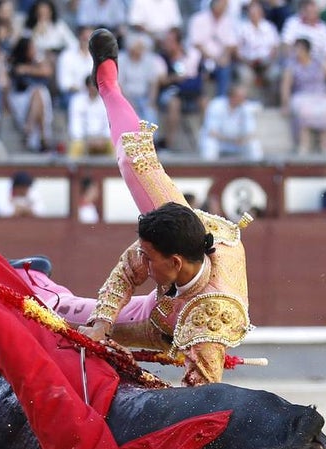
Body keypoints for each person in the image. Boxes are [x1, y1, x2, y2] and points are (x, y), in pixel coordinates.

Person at [75, 29, 252, 387]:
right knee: (136, 160)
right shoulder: (187, 230)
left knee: (62, 322)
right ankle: (107, 83)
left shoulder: (212, 318)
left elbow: (198, 397)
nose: (142, 261)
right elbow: (128, 270)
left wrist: (132, 372)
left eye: (149, 257)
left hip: (161, 327)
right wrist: (101, 324)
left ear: (173, 262)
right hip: (185, 247)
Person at [279, 37, 326, 154]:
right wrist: (285, 104)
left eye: (299, 49)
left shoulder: (318, 62)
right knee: (304, 110)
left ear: (306, 50)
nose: (296, 52)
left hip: (320, 95)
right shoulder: (292, 65)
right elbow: (285, 86)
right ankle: (304, 144)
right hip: (302, 95)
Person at [199, 83, 263, 161]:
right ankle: (209, 167)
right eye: (241, 97)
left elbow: (252, 133)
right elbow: (211, 132)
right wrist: (231, 140)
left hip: (238, 143)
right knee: (210, 143)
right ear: (232, 97)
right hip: (220, 142)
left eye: (244, 97)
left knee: (254, 144)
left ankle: (257, 167)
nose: (244, 100)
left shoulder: (246, 107)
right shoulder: (216, 105)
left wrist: (243, 139)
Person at [67, 74, 110, 158]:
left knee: (114, 146)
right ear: (87, 87)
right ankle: (71, 166)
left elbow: (109, 124)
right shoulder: (77, 101)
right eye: (91, 86)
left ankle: (116, 167)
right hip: (84, 139)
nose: (93, 88)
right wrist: (86, 140)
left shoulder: (106, 101)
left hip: (102, 139)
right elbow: (76, 125)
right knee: (76, 145)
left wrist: (103, 138)